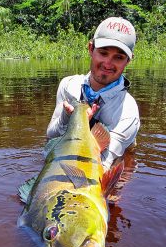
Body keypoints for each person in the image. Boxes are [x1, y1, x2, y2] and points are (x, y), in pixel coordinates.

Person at [47, 17, 140, 171]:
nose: (108, 64)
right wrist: (67, 118)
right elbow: (51, 137)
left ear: (129, 60)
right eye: (103, 53)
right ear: (91, 49)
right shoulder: (69, 86)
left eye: (119, 57)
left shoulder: (128, 112)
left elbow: (103, 165)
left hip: (115, 161)